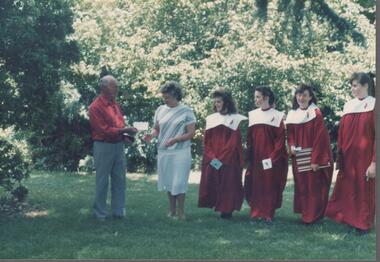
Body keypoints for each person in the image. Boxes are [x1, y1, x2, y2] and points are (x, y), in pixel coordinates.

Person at [325, 72, 376, 235]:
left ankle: (363, 223)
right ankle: (351, 219)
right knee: (349, 189)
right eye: (352, 86)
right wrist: (340, 156)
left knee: (364, 190)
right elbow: (342, 134)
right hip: (348, 157)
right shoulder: (348, 106)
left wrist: (374, 162)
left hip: (365, 157)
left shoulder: (374, 105)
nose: (353, 89)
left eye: (355, 86)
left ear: (366, 86)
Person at [143, 81, 196, 220]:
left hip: (181, 151)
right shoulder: (160, 110)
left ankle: (181, 212)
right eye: (164, 97)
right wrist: (151, 135)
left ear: (176, 95)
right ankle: (171, 210)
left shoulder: (187, 111)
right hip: (164, 151)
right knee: (168, 181)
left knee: (179, 182)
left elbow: (191, 133)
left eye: (167, 97)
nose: (165, 100)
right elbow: (157, 128)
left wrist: (176, 139)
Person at [88, 75, 138, 221]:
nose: (117, 88)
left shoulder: (114, 104)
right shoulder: (95, 107)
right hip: (103, 146)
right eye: (114, 86)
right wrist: (124, 131)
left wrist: (125, 136)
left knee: (120, 180)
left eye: (116, 86)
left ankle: (118, 212)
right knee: (102, 180)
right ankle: (100, 213)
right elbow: (103, 130)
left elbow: (118, 125)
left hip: (118, 145)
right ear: (104, 88)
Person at [285, 84, 333, 224]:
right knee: (302, 185)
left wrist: (315, 159)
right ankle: (306, 213)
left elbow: (320, 137)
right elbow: (290, 134)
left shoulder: (315, 113)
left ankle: (313, 216)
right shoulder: (292, 114)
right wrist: (291, 145)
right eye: (299, 95)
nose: (301, 98)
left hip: (312, 153)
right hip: (299, 154)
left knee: (313, 185)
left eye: (305, 95)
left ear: (310, 97)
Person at [198, 89, 247, 219]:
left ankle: (226, 210)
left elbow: (233, 143)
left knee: (228, 184)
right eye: (215, 102)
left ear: (227, 102)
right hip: (213, 158)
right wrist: (213, 158)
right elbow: (207, 141)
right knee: (213, 182)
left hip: (229, 159)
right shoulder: (211, 119)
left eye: (219, 101)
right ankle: (216, 205)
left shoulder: (235, 119)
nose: (216, 104)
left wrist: (221, 159)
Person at [244, 86, 288, 222]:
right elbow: (250, 138)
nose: (255, 99)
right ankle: (256, 212)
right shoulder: (253, 115)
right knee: (256, 184)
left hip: (271, 157)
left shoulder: (277, 116)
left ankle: (268, 213)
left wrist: (272, 159)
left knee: (269, 184)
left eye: (258, 97)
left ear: (266, 98)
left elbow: (280, 141)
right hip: (256, 156)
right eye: (255, 97)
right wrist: (249, 156)